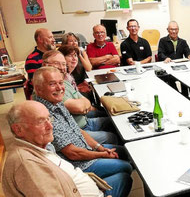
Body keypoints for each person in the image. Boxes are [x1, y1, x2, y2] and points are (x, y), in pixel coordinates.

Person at [32, 67, 132, 197]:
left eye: (60, 82)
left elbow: (77, 130)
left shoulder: (56, 102)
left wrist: (99, 148)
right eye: (52, 84)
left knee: (125, 151)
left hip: (85, 150)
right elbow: (73, 154)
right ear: (38, 89)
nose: (59, 88)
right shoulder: (45, 114)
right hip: (80, 164)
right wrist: (101, 155)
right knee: (126, 169)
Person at [2, 101, 129, 197]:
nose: (50, 126)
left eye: (49, 118)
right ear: (18, 129)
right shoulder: (27, 164)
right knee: (125, 174)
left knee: (124, 177)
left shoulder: (39, 145)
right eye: (40, 121)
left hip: (88, 187)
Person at [41, 50, 118, 145]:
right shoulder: (50, 89)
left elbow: (86, 102)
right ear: (45, 65)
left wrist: (84, 106)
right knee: (112, 136)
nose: (61, 68)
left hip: (83, 121)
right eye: (57, 64)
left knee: (115, 122)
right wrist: (99, 149)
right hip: (79, 129)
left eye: (63, 64)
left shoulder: (63, 81)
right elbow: (79, 108)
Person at [25, 28, 55, 99]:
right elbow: (37, 84)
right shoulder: (32, 59)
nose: (54, 40)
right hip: (45, 96)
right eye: (50, 37)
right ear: (40, 39)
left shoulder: (54, 55)